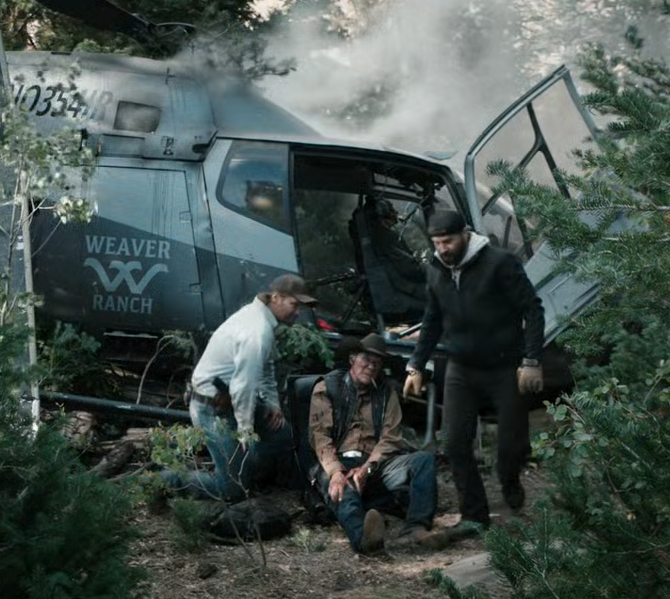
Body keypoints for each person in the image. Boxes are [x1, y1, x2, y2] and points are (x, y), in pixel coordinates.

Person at [403, 211, 545, 534]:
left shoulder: (499, 263)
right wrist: (416, 365)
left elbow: (532, 309)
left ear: (465, 234)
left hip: (504, 365)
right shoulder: (436, 270)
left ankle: (509, 479)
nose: (443, 249)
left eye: (448, 241)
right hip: (462, 368)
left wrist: (531, 360)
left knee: (510, 444)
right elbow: (432, 319)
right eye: (437, 243)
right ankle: (474, 515)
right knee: (454, 442)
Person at [161, 274, 314, 502]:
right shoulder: (256, 331)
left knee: (282, 435)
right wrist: (246, 431)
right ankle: (165, 480)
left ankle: (253, 473)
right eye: (294, 304)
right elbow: (243, 387)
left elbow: (267, 368)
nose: (298, 312)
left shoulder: (262, 321)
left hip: (234, 401)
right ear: (276, 297)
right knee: (230, 488)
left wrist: (273, 405)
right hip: (212, 408)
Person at [307, 333, 447, 553]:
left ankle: (417, 527)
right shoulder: (327, 387)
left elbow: (391, 437)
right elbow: (319, 436)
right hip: (338, 461)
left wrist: (368, 467)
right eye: (366, 359)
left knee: (424, 460)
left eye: (377, 362)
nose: (371, 366)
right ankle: (365, 540)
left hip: (374, 464)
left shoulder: (386, 393)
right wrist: (335, 472)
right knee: (343, 489)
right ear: (353, 359)